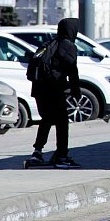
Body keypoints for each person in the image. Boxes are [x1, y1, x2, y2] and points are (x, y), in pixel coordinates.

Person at [30, 18, 82, 168]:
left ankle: (37, 152)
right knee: (62, 122)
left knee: (46, 119)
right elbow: (72, 70)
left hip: (39, 89)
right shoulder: (69, 46)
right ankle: (62, 156)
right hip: (54, 89)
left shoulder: (48, 44)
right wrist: (75, 91)